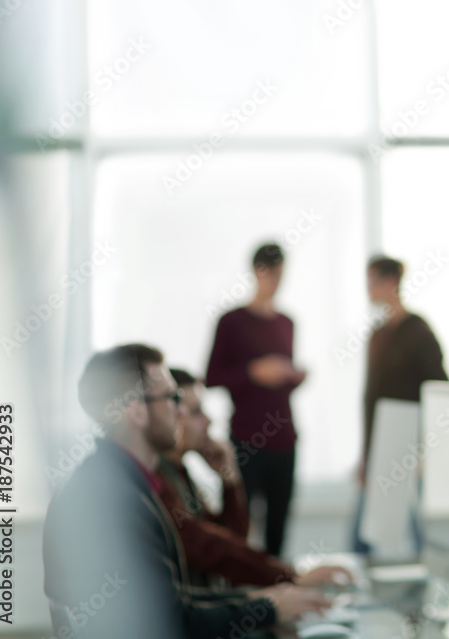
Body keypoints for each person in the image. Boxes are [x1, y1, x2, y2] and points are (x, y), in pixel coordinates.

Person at [43, 344, 329, 639]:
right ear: (137, 412)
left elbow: (171, 601)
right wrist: (267, 607)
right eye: (173, 398)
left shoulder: (122, 482)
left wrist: (261, 601)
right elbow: (172, 622)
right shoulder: (114, 500)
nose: (180, 412)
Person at [159, 368, 353, 589]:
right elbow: (211, 550)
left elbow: (231, 540)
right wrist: (291, 577)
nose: (209, 421)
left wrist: (230, 480)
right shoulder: (160, 479)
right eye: (196, 412)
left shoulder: (181, 474)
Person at [206, 243, 307, 557]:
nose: (276, 281)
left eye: (281, 274)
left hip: (284, 438)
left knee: (278, 531)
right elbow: (211, 378)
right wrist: (254, 371)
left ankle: (281, 596)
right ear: (256, 272)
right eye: (271, 273)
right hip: (247, 439)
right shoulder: (231, 321)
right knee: (242, 526)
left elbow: (281, 388)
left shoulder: (287, 323)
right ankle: (245, 600)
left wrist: (293, 378)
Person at [352, 255, 449, 553]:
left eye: (373, 281)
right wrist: (366, 454)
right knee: (368, 532)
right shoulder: (378, 334)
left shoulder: (417, 332)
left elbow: (440, 388)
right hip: (381, 443)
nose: (368, 288)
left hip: (408, 444)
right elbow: (371, 399)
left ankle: (422, 590)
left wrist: (424, 448)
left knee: (412, 527)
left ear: (391, 282)